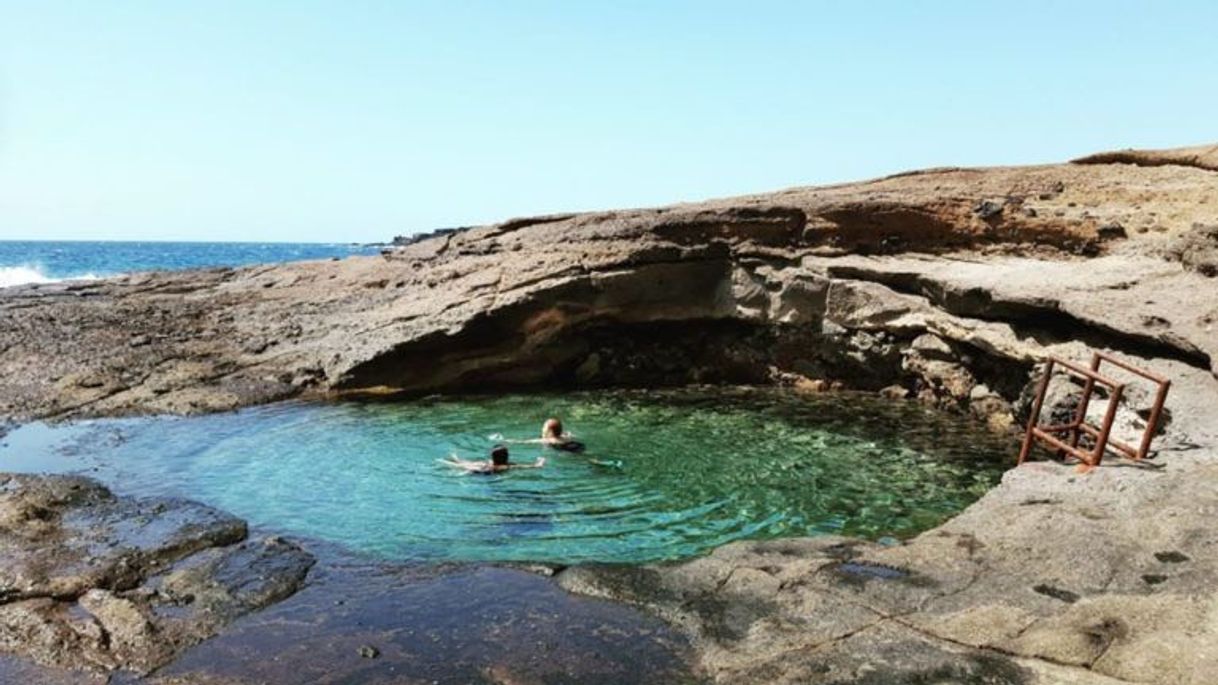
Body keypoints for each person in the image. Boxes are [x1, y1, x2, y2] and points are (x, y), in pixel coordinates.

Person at [491, 417, 585, 452]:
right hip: (574, 445)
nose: (542, 429)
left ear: (549, 432)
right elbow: (569, 435)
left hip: (563, 449)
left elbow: (523, 442)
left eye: (543, 428)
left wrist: (502, 440)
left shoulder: (546, 440)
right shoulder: (565, 436)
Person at [441, 444, 545, 475]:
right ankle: (452, 461)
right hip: (484, 471)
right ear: (505, 456)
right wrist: (539, 463)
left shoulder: (493, 462)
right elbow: (523, 467)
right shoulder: (505, 466)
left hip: (484, 466)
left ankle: (455, 459)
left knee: (465, 463)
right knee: (463, 466)